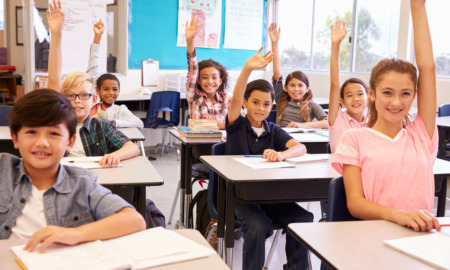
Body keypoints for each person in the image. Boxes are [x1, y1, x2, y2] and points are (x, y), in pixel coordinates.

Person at [332, 0, 441, 232]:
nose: (396, 102)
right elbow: (355, 204)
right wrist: (397, 216)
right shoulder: (354, 139)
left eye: (405, 94)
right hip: (375, 237)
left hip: (421, 238)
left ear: (415, 96)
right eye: (387, 93)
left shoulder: (421, 135)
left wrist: (417, 8)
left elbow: (428, 68)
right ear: (372, 93)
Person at [0, 89, 146, 252]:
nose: (42, 142)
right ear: (15, 138)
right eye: (31, 132)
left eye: (54, 133)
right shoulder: (3, 170)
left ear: (70, 142)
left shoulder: (82, 184)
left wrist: (75, 234)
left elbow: (135, 220)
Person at [226, 47, 313, 270]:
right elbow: (235, 97)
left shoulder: (272, 129)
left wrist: (282, 154)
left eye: (266, 104)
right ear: (245, 103)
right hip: (239, 197)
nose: (261, 108)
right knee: (257, 224)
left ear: (272, 106)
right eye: (255, 102)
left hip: (267, 195)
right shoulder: (237, 125)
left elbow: (300, 147)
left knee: (303, 219)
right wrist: (247, 68)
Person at [47, 0, 141, 167]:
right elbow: (54, 79)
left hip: (95, 182)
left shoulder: (102, 126)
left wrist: (114, 156)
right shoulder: (56, 122)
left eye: (84, 95)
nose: (77, 100)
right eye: (70, 95)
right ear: (62, 98)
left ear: (94, 99)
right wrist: (56, 34)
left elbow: (133, 148)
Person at [269, 22, 328, 129]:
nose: (296, 89)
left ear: (307, 88)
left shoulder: (311, 105)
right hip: (281, 138)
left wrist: (305, 125)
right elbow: (277, 73)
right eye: (292, 85)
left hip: (302, 140)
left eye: (300, 85)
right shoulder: (281, 98)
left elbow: (327, 123)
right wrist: (274, 44)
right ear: (286, 88)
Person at [328, 21, 368, 153]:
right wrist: (335, 45)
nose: (356, 99)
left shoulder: (374, 122)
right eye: (350, 95)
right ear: (342, 101)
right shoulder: (337, 118)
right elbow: (335, 84)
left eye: (360, 94)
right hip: (341, 172)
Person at [185, 17, 231, 130]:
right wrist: (190, 41)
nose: (210, 81)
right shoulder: (194, 96)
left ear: (220, 81)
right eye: (205, 77)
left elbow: (241, 124)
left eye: (214, 77)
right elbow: (193, 69)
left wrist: (222, 125)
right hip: (200, 143)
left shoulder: (227, 99)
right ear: (198, 81)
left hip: (223, 144)